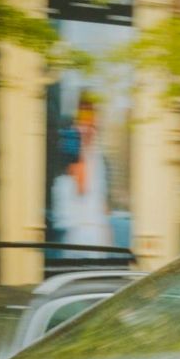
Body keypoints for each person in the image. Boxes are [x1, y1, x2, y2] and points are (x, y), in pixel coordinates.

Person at [51, 89, 112, 248]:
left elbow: (102, 202)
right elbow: (80, 187)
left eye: (92, 117)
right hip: (78, 235)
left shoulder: (97, 155)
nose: (90, 124)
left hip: (96, 234)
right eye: (85, 117)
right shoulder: (73, 147)